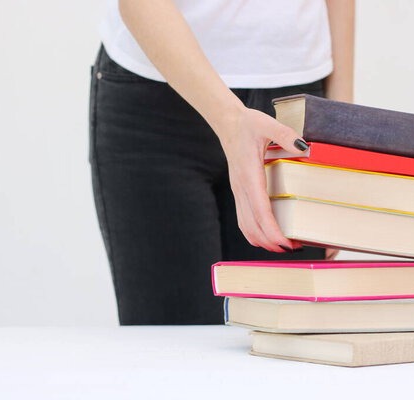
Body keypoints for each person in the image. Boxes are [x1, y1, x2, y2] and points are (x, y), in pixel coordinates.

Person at [88, 0, 355, 325]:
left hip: (295, 100)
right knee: (174, 350)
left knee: (287, 350)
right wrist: (231, 122)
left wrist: (340, 127)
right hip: (157, 93)